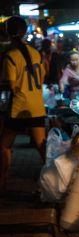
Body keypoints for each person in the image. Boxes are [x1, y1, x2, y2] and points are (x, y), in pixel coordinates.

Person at [0, 16, 46, 191]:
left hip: (18, 108)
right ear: (25, 31)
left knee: (4, 146)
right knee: (42, 148)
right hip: (36, 106)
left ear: (7, 32)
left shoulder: (10, 56)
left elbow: (10, 85)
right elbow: (41, 79)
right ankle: (56, 179)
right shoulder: (36, 53)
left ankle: (2, 180)